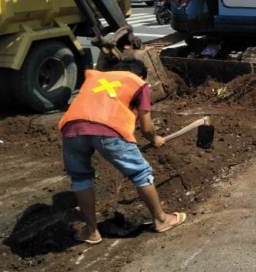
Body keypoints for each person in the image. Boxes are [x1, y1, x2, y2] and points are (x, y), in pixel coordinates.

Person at [59, 59, 186, 245]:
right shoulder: (139, 83)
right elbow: (147, 127)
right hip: (108, 128)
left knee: (80, 178)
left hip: (72, 128)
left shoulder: (96, 77)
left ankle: (92, 232)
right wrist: (155, 139)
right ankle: (161, 219)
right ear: (141, 75)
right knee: (140, 172)